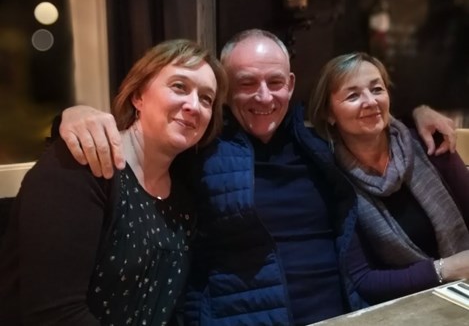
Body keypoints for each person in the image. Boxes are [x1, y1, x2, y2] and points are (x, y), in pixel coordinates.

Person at [55, 30, 456, 325]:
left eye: (275, 83)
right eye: (246, 83)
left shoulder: (315, 136)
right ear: (226, 91)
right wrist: (71, 117)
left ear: (290, 85)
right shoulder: (199, 142)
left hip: (345, 314)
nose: (264, 97)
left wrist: (418, 111)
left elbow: (366, 112)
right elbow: (139, 139)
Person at [0, 39, 227, 325]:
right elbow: (55, 314)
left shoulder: (183, 202)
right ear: (138, 96)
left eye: (206, 98)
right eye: (179, 86)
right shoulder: (81, 165)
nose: (194, 105)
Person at [309, 51, 469, 304]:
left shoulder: (429, 144)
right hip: (410, 307)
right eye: (353, 95)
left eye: (377, 89)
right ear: (329, 114)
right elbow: (364, 280)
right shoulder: (333, 180)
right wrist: (446, 269)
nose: (370, 101)